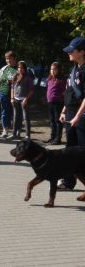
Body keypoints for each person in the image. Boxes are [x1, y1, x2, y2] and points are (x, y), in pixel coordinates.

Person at [58, 37, 85, 190]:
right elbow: (69, 92)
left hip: (82, 115)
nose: (68, 53)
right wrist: (64, 110)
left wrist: (78, 116)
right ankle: (68, 182)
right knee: (70, 150)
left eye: (72, 51)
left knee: (82, 150)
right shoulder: (74, 68)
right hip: (71, 113)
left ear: (82, 52)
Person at [0, 51, 18, 138]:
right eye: (7, 59)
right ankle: (5, 130)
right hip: (3, 94)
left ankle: (16, 131)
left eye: (9, 58)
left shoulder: (19, 68)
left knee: (16, 113)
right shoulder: (4, 69)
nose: (8, 60)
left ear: (14, 58)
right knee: (4, 112)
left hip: (16, 95)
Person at [9, 61, 34, 139]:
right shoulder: (15, 76)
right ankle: (14, 133)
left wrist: (26, 99)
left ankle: (27, 135)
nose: (20, 69)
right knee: (15, 117)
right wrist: (12, 98)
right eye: (19, 67)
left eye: (22, 68)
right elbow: (12, 88)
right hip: (16, 99)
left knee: (25, 118)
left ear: (25, 69)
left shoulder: (28, 78)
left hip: (24, 100)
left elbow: (31, 90)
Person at [46, 62, 66, 145]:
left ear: (59, 70)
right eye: (51, 69)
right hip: (50, 102)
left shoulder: (62, 80)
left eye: (54, 69)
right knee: (52, 121)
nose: (52, 71)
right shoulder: (49, 79)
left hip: (58, 103)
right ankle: (52, 137)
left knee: (57, 121)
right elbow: (48, 89)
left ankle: (58, 139)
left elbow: (65, 92)